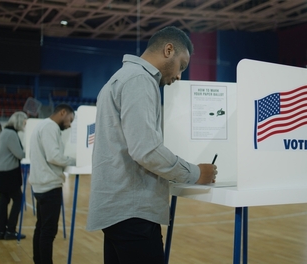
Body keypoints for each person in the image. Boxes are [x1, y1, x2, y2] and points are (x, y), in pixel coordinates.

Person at [86, 26, 217, 264]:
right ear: (169, 50)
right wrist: (196, 173)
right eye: (182, 66)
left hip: (118, 211)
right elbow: (146, 150)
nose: (179, 76)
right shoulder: (140, 80)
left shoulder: (119, 78)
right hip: (133, 213)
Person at [29, 104, 76, 264]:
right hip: (49, 186)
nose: (69, 124)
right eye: (70, 120)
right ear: (62, 112)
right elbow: (54, 156)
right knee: (48, 232)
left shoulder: (42, 125)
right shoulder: (50, 127)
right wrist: (75, 161)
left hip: (40, 184)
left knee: (41, 228)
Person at [0, 111, 27, 240]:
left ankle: (1, 231)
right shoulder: (11, 134)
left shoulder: (4, 132)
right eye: (24, 122)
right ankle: (11, 230)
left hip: (0, 171)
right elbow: (19, 154)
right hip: (9, 172)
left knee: (3, 201)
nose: (25, 125)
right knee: (18, 199)